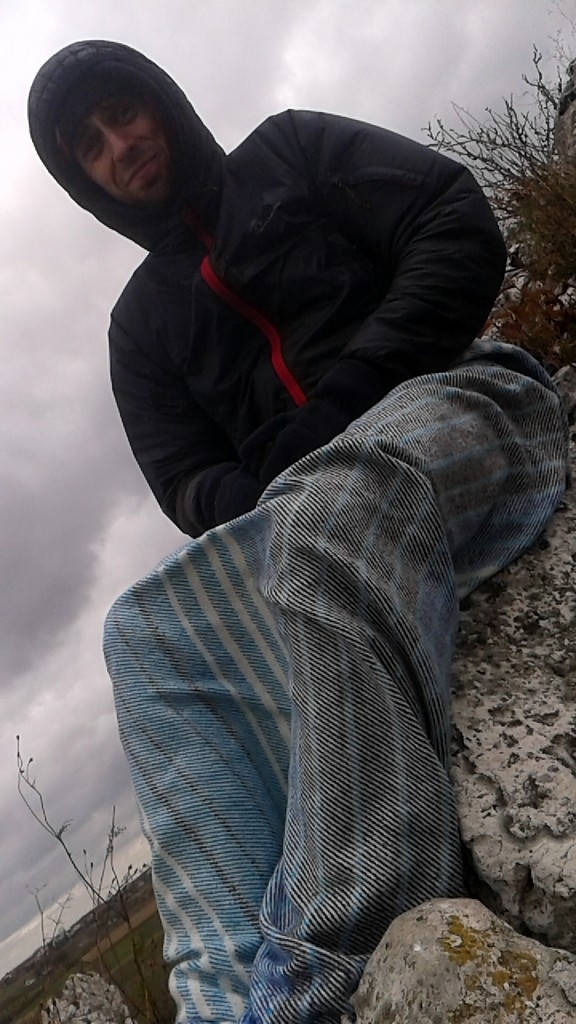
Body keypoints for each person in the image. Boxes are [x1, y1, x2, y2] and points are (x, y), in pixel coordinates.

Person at [28, 40, 568, 1024]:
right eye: (90, 145)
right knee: (139, 634)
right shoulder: (138, 327)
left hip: (459, 404)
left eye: (123, 113)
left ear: (161, 103)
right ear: (84, 182)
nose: (118, 145)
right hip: (306, 505)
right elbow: (183, 481)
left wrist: (351, 390)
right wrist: (266, 479)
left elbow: (453, 220)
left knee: (325, 515)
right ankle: (225, 999)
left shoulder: (293, 151)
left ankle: (323, 971)